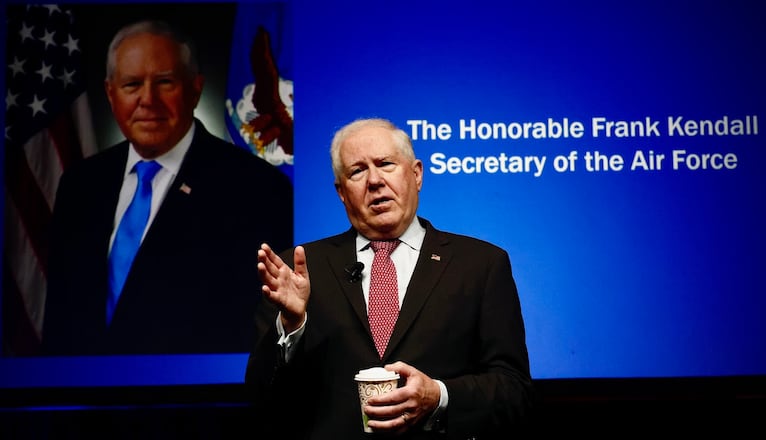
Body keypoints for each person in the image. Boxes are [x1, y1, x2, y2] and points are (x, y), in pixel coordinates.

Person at [246, 118, 535, 438]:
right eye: (357, 171)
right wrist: (292, 325)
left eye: (386, 164)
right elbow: (261, 395)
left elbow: (514, 392)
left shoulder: (481, 264)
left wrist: (438, 396)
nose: (374, 181)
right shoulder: (297, 269)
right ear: (341, 192)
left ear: (416, 174)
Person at [41, 19, 293, 355]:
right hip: (83, 399)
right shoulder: (80, 185)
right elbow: (61, 318)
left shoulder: (256, 188)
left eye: (165, 82)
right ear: (110, 93)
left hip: (200, 399)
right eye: (132, 84)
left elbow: (261, 329)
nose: (148, 100)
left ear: (195, 89)